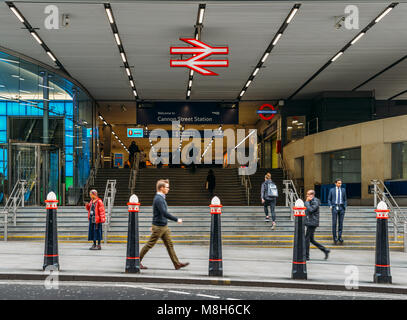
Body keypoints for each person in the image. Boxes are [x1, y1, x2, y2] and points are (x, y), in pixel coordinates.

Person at [139, 179, 190, 270]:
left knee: (169, 245)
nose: (168, 189)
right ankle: (136, 261)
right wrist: (176, 219)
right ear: (161, 188)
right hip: (159, 227)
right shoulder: (158, 199)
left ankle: (176, 264)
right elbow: (164, 213)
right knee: (149, 244)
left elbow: (156, 213)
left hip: (163, 226)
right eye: (167, 187)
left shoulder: (161, 198)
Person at [304, 189, 330, 261]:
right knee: (311, 239)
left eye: (308, 194)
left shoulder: (315, 201)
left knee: (307, 239)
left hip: (312, 223)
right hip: (310, 222)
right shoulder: (311, 201)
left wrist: (306, 202)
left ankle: (306, 256)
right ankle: (325, 250)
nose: (307, 195)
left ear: (312, 195)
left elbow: (311, 210)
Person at [327, 178, 347, 245]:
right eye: (338, 183)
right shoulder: (332, 190)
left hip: (341, 207)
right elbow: (329, 199)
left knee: (341, 223)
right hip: (334, 207)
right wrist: (330, 205)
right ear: (335, 183)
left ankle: (340, 237)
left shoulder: (343, 190)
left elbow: (345, 199)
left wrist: (345, 206)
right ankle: (335, 237)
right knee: (334, 223)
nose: (340, 184)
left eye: (340, 183)